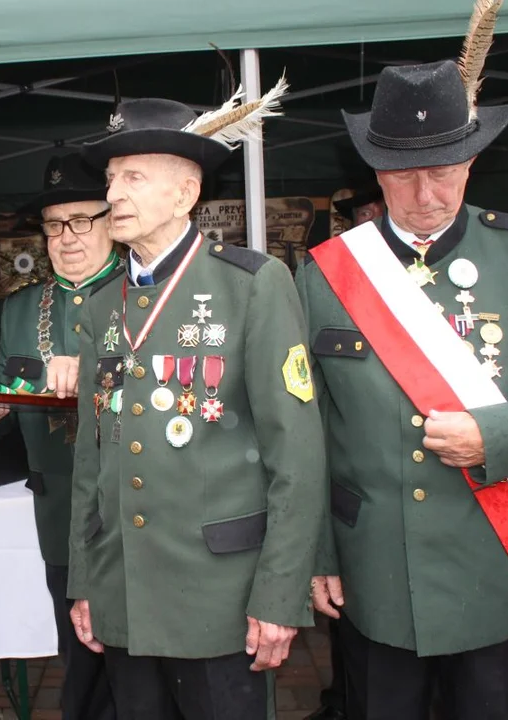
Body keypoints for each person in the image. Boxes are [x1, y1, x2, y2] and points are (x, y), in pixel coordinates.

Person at [296, 8, 508, 718]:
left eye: (443, 173)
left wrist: (499, 435)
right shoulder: (325, 275)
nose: (424, 197)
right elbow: (308, 428)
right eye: (404, 176)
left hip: (492, 562)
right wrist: (318, 552)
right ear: (375, 171)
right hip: (373, 571)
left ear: (471, 162)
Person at [67, 86, 327, 720]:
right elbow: (90, 461)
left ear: (184, 194)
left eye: (132, 177)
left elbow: (296, 455)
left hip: (223, 600)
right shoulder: (101, 306)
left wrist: (279, 595)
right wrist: (85, 583)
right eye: (109, 179)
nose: (112, 196)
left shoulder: (251, 285)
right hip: (125, 593)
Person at [0, 153, 119, 719]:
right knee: (80, 656)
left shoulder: (144, 296)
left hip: (132, 510)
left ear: (112, 219)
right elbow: (4, 389)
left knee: (138, 662)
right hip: (59, 514)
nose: (66, 237)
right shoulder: (23, 308)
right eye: (54, 225)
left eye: (82, 220)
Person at [304, 182, 385, 720]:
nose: (371, 216)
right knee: (360, 657)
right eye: (363, 211)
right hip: (358, 522)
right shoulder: (326, 277)